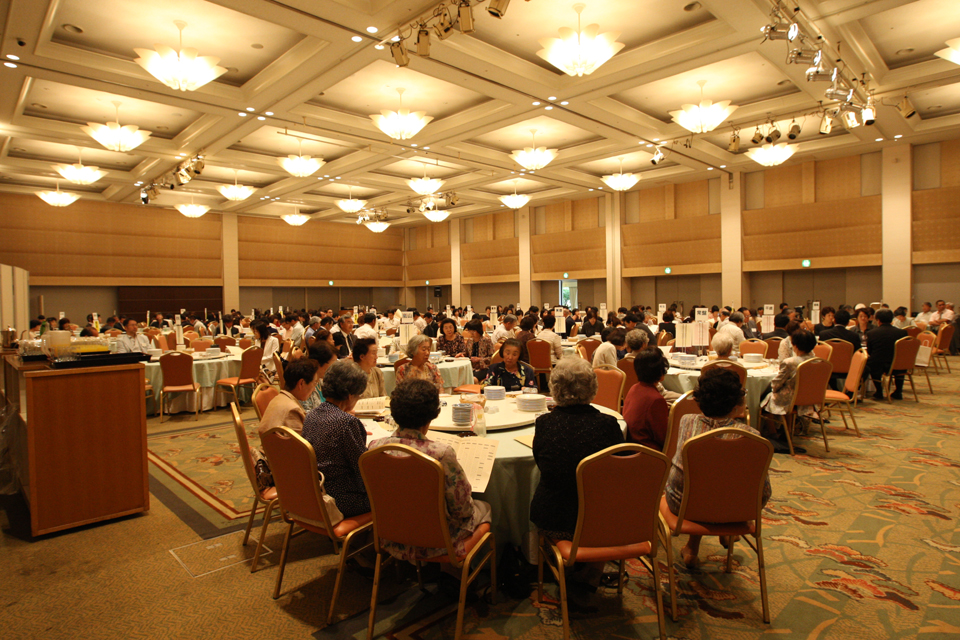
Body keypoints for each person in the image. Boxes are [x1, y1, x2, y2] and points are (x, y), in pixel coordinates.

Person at [367, 379, 492, 561]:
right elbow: (462, 509)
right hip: (440, 541)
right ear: (433, 414)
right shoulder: (441, 454)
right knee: (485, 507)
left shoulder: (375, 448)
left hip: (392, 534)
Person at [665, 368, 772, 566]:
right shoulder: (753, 438)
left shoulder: (687, 422)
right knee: (719, 482)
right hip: (736, 509)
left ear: (699, 400)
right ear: (737, 403)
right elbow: (764, 492)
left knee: (700, 481)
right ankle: (724, 531)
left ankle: (692, 548)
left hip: (684, 505)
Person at [530, 358, 624, 543]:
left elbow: (541, 464)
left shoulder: (545, 424)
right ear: (592, 387)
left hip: (554, 519)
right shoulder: (609, 425)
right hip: (601, 516)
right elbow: (619, 469)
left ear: (554, 388)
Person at [301, 359, 370, 517]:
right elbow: (362, 469)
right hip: (340, 499)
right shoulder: (347, 423)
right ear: (350, 396)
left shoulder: (312, 415)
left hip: (315, 492)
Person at [761, 329, 818, 452]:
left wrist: (772, 388)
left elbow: (777, 384)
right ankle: (786, 433)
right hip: (809, 399)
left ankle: (773, 435)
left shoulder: (790, 362)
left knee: (763, 399)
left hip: (789, 399)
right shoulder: (817, 361)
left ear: (795, 345)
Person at [256, 359, 319, 436]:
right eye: (314, 383)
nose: (314, 389)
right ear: (301, 383)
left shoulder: (278, 398)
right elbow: (303, 441)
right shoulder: (292, 409)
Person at [623, 348, 670, 450]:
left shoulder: (634, 388)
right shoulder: (656, 399)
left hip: (631, 445)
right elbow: (664, 438)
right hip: (648, 452)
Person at [867, 309, 909, 400]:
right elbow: (904, 351)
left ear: (878, 320)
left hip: (879, 366)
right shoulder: (902, 333)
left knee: (870, 363)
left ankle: (879, 391)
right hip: (898, 365)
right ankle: (898, 391)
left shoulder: (871, 333)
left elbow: (869, 352)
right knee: (900, 362)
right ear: (892, 319)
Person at [299, 340, 337, 411]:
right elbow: (306, 413)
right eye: (332, 364)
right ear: (319, 363)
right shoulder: (306, 384)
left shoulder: (320, 381)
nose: (334, 368)